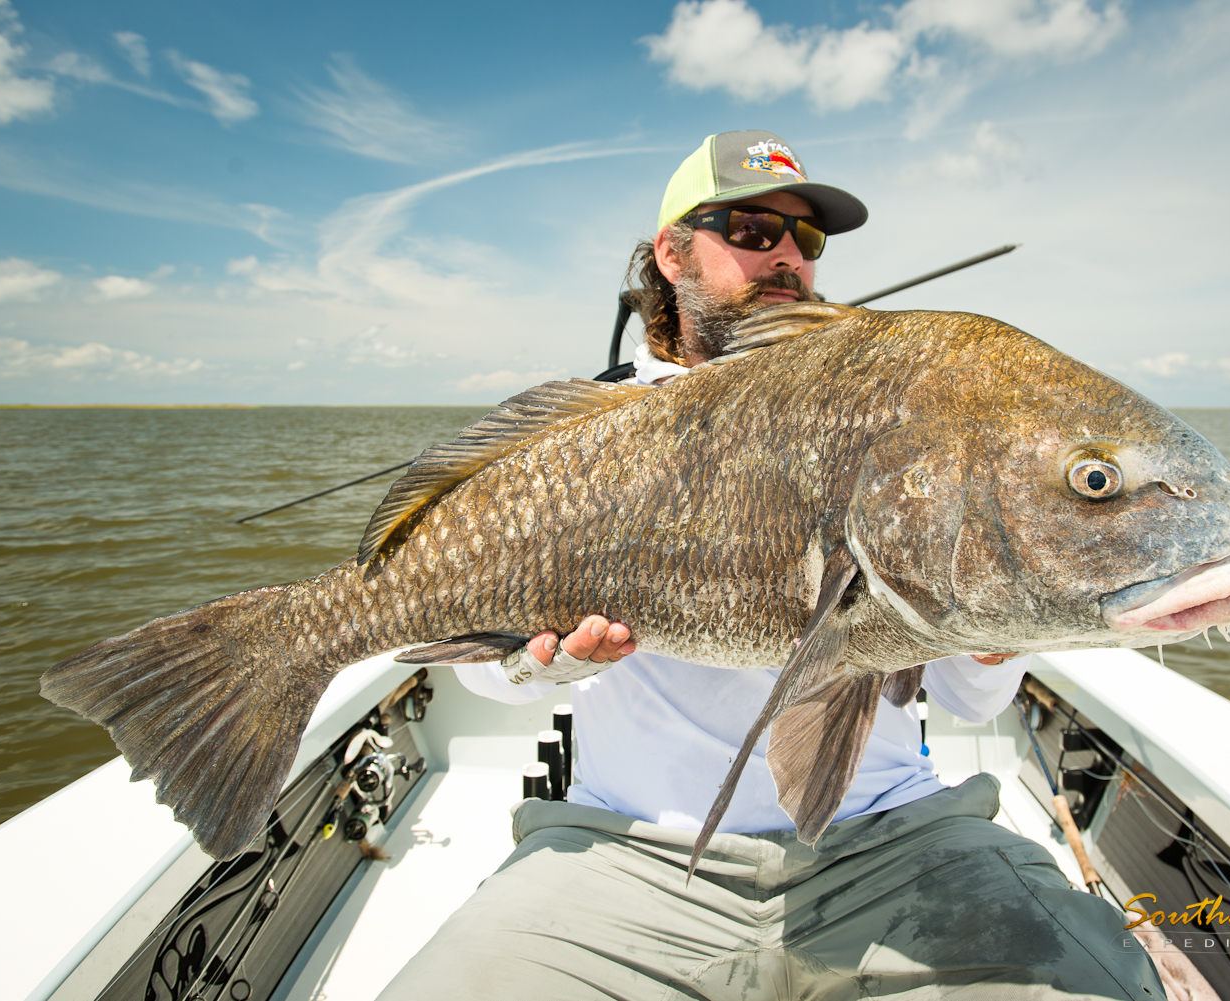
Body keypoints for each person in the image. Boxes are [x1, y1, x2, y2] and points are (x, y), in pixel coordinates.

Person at [378, 131, 1164, 1001]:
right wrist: (537, 663)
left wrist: (995, 627)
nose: (786, 254)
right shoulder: (587, 438)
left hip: (895, 837)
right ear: (672, 252)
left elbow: (972, 702)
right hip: (626, 852)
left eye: (807, 239)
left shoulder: (887, 417)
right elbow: (479, 674)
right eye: (751, 229)